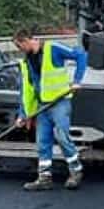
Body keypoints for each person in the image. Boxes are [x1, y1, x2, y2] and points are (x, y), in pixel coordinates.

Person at [12, 30, 88, 191]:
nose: (20, 50)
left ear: (26, 41)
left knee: (62, 137)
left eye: (20, 46)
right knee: (42, 142)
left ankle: (76, 171)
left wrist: (77, 80)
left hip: (60, 102)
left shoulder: (52, 48)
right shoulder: (27, 62)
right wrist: (23, 114)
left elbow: (81, 55)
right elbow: (27, 90)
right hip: (43, 106)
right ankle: (44, 178)